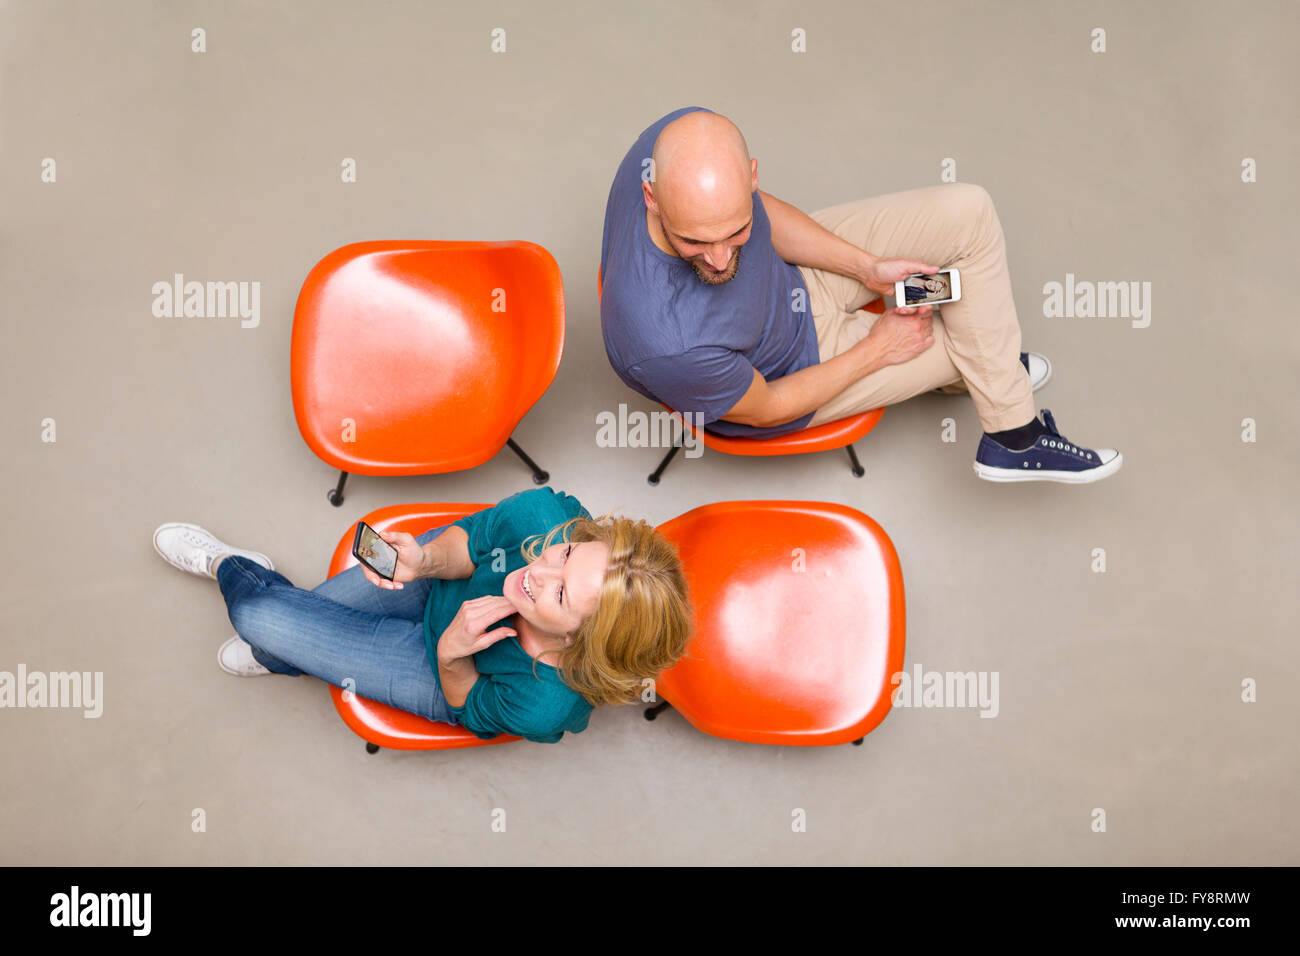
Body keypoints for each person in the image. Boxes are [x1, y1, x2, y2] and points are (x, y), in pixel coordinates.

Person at [599, 106, 1122, 483]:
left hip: (795, 274)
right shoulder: (667, 343)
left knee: (969, 212)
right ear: (652, 196)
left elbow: (764, 217)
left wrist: (867, 268)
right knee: (972, 328)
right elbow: (767, 407)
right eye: (693, 240)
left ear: (751, 176)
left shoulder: (670, 143)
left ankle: (987, 374)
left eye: (732, 232)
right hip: (798, 365)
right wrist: (877, 350)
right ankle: (1014, 433)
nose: (717, 259)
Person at [152, 487, 692, 744]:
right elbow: (472, 542)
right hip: (441, 580)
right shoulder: (543, 523)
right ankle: (252, 595)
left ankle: (255, 604)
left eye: (559, 597)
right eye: (569, 555)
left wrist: (452, 653)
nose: (538, 570)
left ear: (580, 642)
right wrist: (425, 560)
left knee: (259, 621)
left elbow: (467, 704)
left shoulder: (544, 701)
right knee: (269, 623)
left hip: (442, 671)